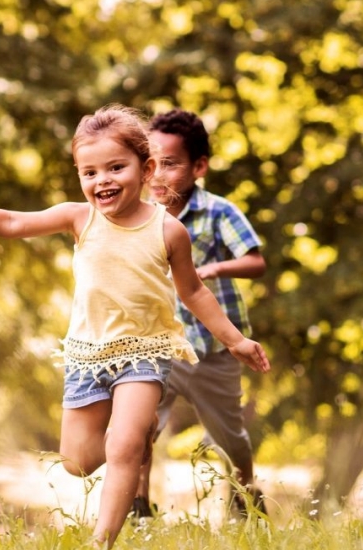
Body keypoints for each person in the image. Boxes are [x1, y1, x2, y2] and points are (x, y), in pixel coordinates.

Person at [0, 104, 271, 548]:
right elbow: (12, 221)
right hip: (88, 354)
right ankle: (131, 438)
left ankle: (100, 540)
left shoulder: (168, 230)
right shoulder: (79, 218)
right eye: (90, 172)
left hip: (145, 351)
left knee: (123, 448)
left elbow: (194, 292)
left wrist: (234, 340)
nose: (102, 180)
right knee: (77, 462)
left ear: (147, 167)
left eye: (116, 167)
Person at [135, 109, 268, 520]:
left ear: (199, 167)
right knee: (138, 429)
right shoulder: (138, 216)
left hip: (212, 349)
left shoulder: (217, 211)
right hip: (157, 346)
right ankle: (138, 505)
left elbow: (255, 261)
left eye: (171, 165)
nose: (158, 176)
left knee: (230, 435)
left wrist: (213, 269)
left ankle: (246, 492)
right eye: (151, 164)